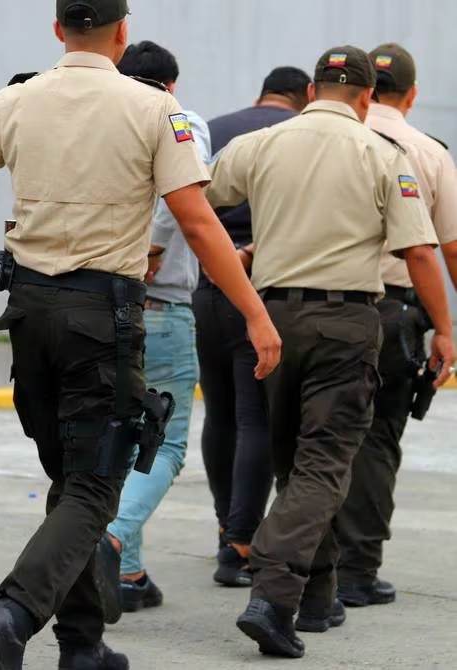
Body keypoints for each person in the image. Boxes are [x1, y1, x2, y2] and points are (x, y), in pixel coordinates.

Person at [0, 2, 282, 667]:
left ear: (57, 30)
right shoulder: (151, 109)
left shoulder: (16, 101)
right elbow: (195, 221)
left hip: (27, 313)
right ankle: (13, 611)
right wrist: (253, 311)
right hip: (100, 316)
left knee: (69, 477)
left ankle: (81, 645)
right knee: (94, 484)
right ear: (120, 31)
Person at [206, 45, 455, 659]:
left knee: (295, 462)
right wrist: (446, 329)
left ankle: (315, 600)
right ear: (368, 98)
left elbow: (201, 199)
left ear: (314, 91)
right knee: (324, 465)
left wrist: (242, 257)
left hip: (272, 318)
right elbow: (421, 252)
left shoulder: (263, 143)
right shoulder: (383, 154)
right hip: (346, 320)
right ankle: (272, 592)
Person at [333, 43, 457, 608]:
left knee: (320, 438)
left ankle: (308, 565)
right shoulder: (429, 153)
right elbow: (445, 251)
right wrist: (447, 326)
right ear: (410, 95)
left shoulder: (333, 141)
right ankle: (358, 572)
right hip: (395, 311)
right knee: (377, 441)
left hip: (325, 304)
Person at [102, 40, 211, 614]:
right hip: (159, 303)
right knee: (164, 439)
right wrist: (154, 250)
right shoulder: (179, 118)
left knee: (121, 439)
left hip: (96, 303)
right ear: (171, 84)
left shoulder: (102, 115)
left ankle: (127, 572)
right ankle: (113, 537)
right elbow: (182, 203)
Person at [195, 66, 312, 588]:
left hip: (207, 288)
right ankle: (239, 544)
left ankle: (226, 525)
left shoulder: (215, 129)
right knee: (255, 419)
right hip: (259, 292)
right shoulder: (297, 141)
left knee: (219, 414)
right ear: (306, 95)